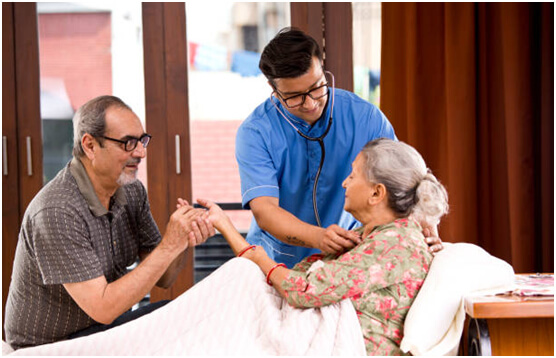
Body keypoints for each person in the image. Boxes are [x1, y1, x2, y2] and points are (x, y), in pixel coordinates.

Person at [198, 138, 449, 355]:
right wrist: (227, 228)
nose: (344, 184)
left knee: (236, 290)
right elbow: (306, 278)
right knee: (235, 290)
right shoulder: (372, 236)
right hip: (322, 333)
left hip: (352, 346)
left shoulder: (395, 243)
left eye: (352, 176)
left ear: (376, 193)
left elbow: (305, 289)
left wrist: (258, 256)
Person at [4, 95, 215, 349]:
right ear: (90, 146)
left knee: (183, 313)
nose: (141, 152)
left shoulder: (133, 191)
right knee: (172, 322)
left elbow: (164, 278)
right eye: (128, 143)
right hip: (51, 346)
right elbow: (102, 308)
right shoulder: (57, 211)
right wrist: (169, 245)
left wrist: (183, 240)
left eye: (141, 140)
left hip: (102, 329)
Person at [235, 27, 442, 268]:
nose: (311, 103)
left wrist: (426, 220)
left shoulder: (365, 117)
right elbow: (265, 210)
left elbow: (404, 175)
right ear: (274, 91)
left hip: (347, 255)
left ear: (323, 69)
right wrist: (318, 237)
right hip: (276, 261)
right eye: (295, 96)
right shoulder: (255, 133)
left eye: (316, 87)